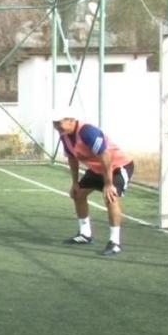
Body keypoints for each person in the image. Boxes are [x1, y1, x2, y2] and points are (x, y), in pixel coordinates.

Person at [52, 107, 135, 256]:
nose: (56, 127)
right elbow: (72, 158)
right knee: (78, 194)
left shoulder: (87, 132)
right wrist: (75, 183)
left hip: (117, 167)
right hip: (97, 169)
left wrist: (108, 184)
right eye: (54, 123)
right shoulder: (65, 136)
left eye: (59, 123)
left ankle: (115, 242)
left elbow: (105, 155)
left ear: (70, 120)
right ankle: (85, 234)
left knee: (110, 197)